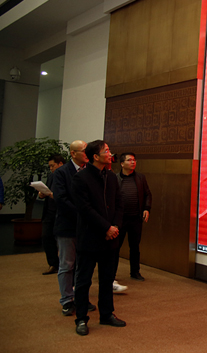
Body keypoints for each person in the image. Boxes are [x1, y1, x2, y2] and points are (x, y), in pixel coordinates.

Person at [71, 140, 126, 336]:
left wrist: (115, 227)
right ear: (95, 156)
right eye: (106, 151)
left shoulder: (111, 177)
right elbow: (85, 209)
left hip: (110, 238)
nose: (110, 154)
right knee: (84, 280)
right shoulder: (81, 178)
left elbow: (119, 203)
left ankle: (107, 314)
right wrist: (106, 227)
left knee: (107, 278)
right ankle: (81, 318)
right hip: (90, 237)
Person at [52, 140, 95, 316]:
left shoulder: (89, 171)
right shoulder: (62, 172)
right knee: (67, 264)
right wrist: (83, 214)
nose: (87, 154)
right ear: (73, 153)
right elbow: (61, 199)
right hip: (68, 226)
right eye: (84, 151)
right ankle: (67, 299)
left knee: (83, 265)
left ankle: (81, 297)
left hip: (86, 227)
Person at [115, 152, 152, 281]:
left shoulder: (140, 178)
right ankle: (111, 274)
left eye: (134, 160)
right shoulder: (115, 178)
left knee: (135, 246)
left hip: (135, 218)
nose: (133, 162)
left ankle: (135, 272)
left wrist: (147, 208)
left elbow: (147, 194)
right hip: (120, 219)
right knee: (115, 247)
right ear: (122, 164)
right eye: (129, 160)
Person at [39, 154, 65, 275]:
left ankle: (65, 264)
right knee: (46, 237)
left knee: (63, 240)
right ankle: (53, 263)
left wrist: (52, 195)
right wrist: (42, 194)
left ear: (60, 164)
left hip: (61, 212)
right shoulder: (51, 176)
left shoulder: (66, 175)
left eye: (52, 166)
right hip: (49, 211)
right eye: (49, 166)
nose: (51, 168)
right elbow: (48, 190)